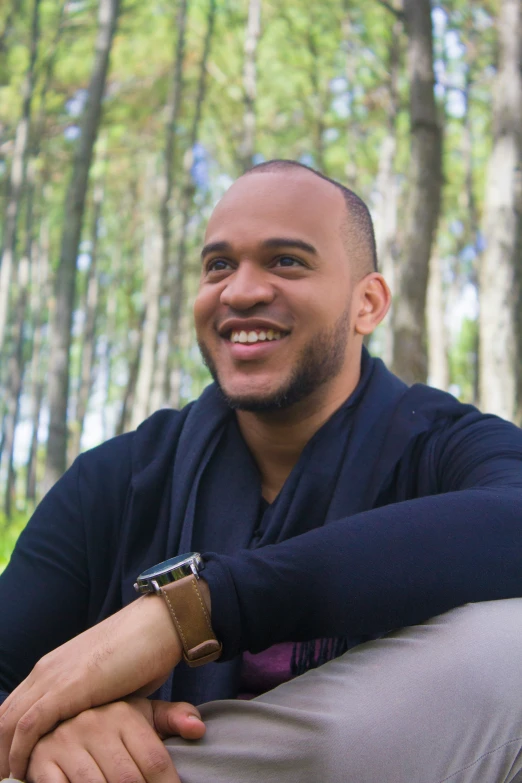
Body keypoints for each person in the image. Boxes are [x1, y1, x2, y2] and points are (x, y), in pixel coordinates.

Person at [1, 159, 522, 783]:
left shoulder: (439, 444)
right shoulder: (117, 481)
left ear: (368, 303)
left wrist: (193, 611)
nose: (240, 290)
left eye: (287, 262)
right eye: (219, 265)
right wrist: (57, 734)